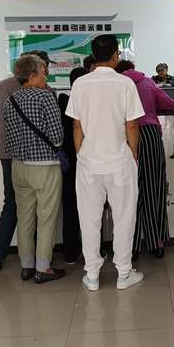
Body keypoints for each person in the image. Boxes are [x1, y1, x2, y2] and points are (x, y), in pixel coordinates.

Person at [66, 35, 146, 291]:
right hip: (119, 161)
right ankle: (124, 273)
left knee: (89, 219)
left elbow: (76, 125)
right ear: (116, 56)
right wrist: (133, 153)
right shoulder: (125, 83)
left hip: (89, 162)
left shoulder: (80, 84)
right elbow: (131, 124)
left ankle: (92, 275)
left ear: (93, 55)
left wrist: (81, 153)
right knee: (124, 218)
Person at [0, 50, 51, 272]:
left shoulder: (1, 87)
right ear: (36, 70)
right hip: (38, 158)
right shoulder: (43, 90)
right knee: (41, 208)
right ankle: (41, 259)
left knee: (12, 205)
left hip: (9, 154)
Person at [3, 55, 65, 284]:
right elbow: (57, 136)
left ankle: (26, 265)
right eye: (43, 73)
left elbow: (9, 136)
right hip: (44, 166)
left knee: (25, 217)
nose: (45, 77)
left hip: (18, 166)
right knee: (46, 218)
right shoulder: (46, 97)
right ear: (32, 75)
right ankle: (43, 268)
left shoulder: (10, 100)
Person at [116, 60, 174, 259]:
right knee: (153, 189)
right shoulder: (147, 82)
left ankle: (130, 247)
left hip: (124, 137)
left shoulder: (117, 84)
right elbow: (169, 103)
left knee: (128, 193)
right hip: (149, 136)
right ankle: (156, 243)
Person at [57, 66, 88, 264]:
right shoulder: (89, 103)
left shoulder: (62, 102)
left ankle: (70, 251)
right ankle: (92, 252)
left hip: (67, 163)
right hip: (86, 161)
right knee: (91, 208)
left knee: (69, 206)